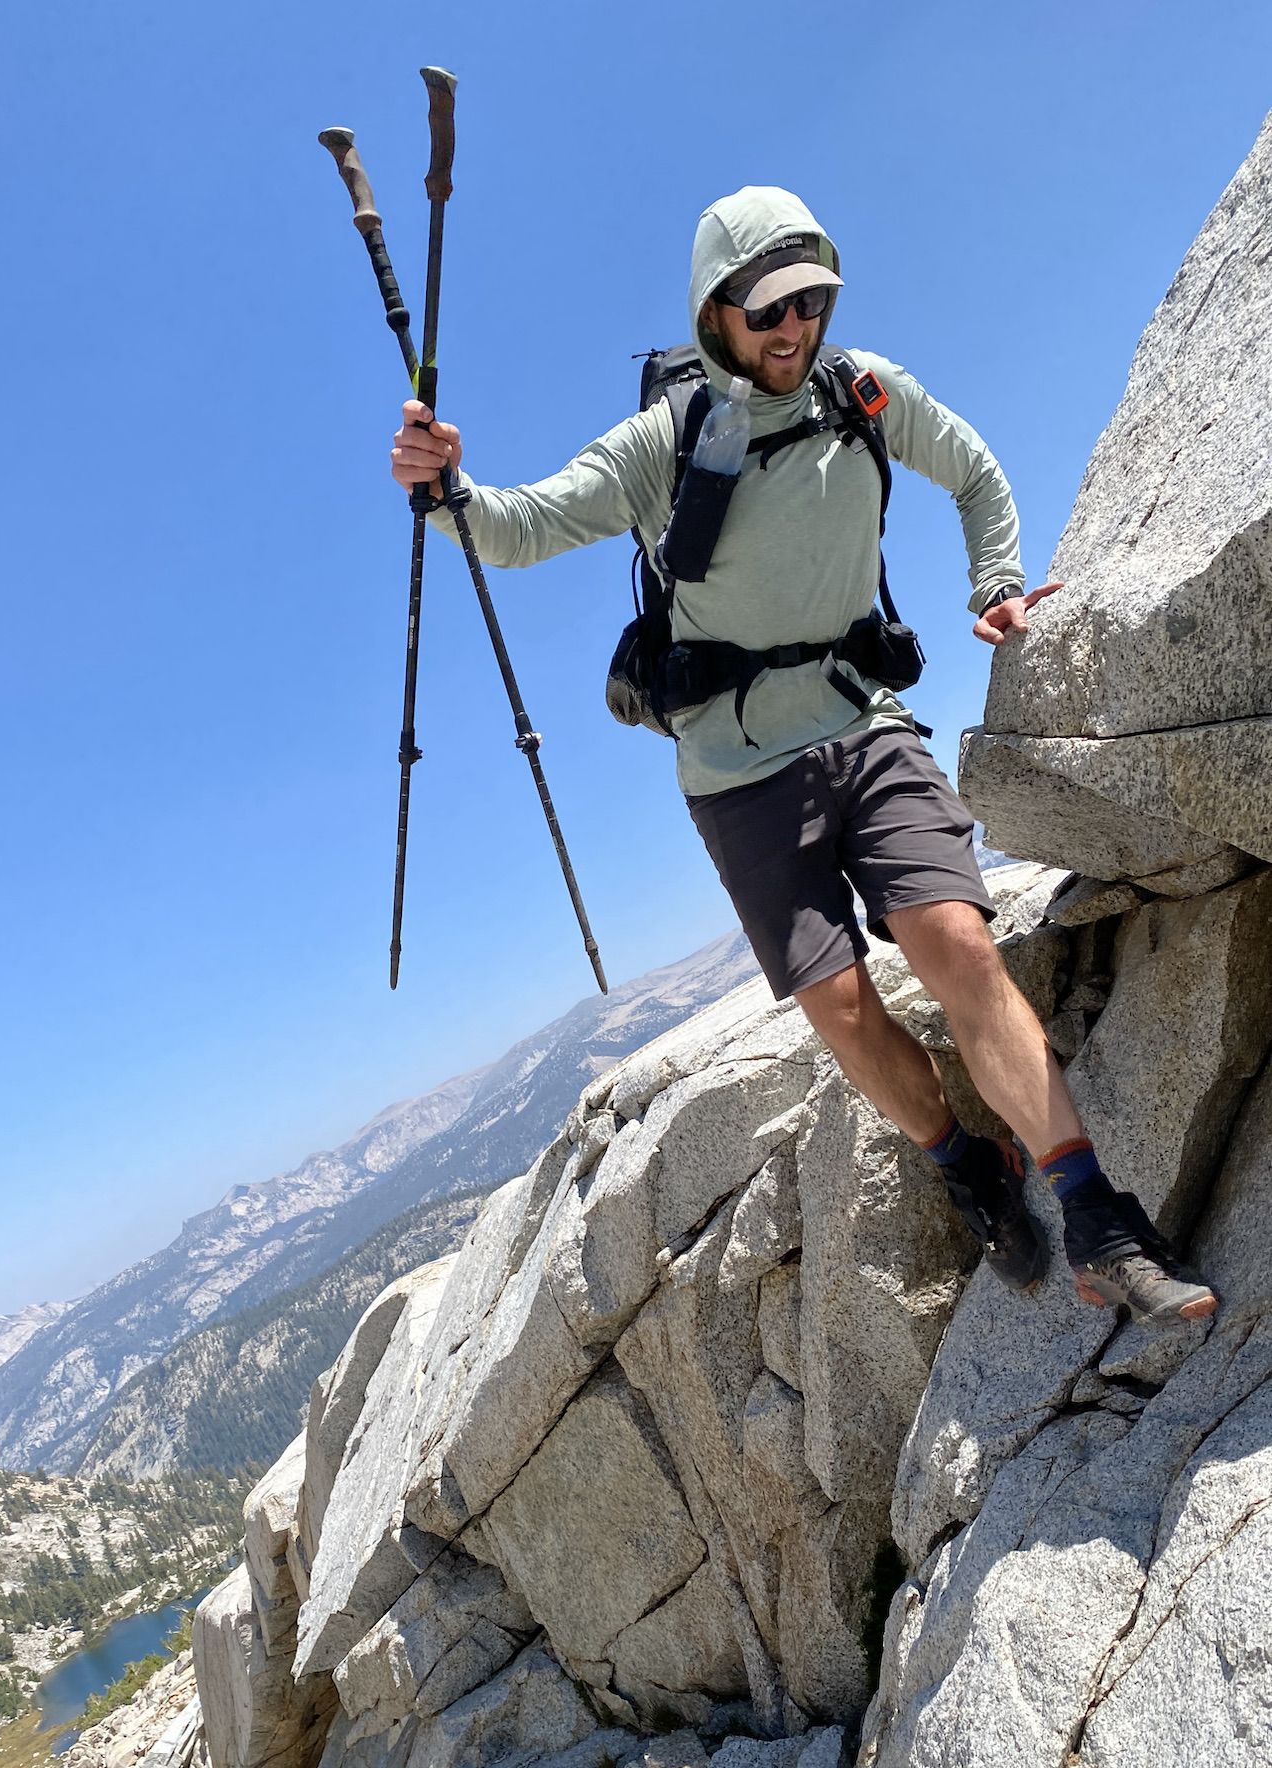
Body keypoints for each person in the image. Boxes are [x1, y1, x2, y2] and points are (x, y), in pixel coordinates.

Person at [389, 184, 1217, 1330]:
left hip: (859, 718)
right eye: (769, 308)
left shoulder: (861, 394)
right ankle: (966, 1164)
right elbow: (522, 525)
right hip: (736, 769)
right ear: (716, 313)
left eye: (812, 300)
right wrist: (448, 491)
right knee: (835, 1002)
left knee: (957, 945)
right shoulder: (662, 444)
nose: (796, 328)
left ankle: (1093, 1213)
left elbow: (974, 471)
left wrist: (996, 582)